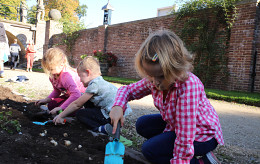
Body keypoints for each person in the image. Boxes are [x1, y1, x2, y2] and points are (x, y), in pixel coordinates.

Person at [109, 30, 224, 164]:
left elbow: (185, 135)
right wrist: (117, 106)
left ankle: (204, 161)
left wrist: (180, 160)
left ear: (176, 68)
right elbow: (128, 90)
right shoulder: (154, 79)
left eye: (161, 76)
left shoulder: (188, 86)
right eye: (150, 75)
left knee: (150, 150)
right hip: (177, 124)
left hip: (201, 134)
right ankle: (165, 145)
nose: (155, 82)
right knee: (142, 124)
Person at [53, 56, 132, 134]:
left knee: (80, 114)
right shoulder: (99, 81)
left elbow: (77, 104)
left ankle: (101, 129)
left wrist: (61, 115)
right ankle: (106, 125)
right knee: (86, 100)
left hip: (111, 117)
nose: (80, 80)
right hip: (116, 115)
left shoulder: (94, 84)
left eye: (80, 76)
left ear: (88, 72)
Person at [35, 47, 86, 115]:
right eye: (48, 69)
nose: (50, 72)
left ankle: (81, 110)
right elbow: (57, 91)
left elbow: (76, 94)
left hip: (82, 97)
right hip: (70, 95)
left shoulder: (67, 76)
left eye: (51, 69)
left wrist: (61, 108)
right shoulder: (53, 76)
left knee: (61, 110)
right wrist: (47, 99)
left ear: (61, 65)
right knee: (51, 105)